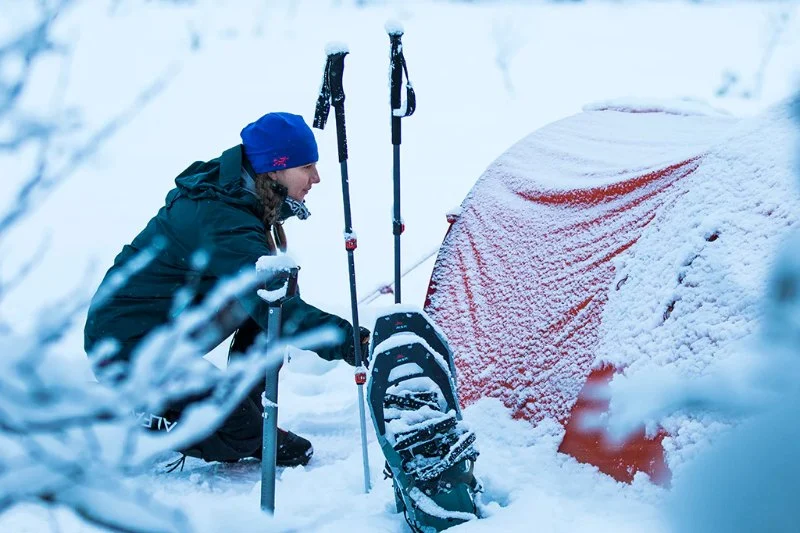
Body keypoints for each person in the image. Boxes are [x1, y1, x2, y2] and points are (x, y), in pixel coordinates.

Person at [84, 112, 368, 467]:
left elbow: (271, 300)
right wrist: (356, 343)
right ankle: (129, 414)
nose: (316, 178)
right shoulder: (222, 217)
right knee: (241, 434)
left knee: (277, 283)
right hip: (127, 347)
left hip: (164, 333)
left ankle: (245, 413)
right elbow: (275, 309)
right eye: (306, 166)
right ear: (274, 169)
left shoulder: (237, 197)